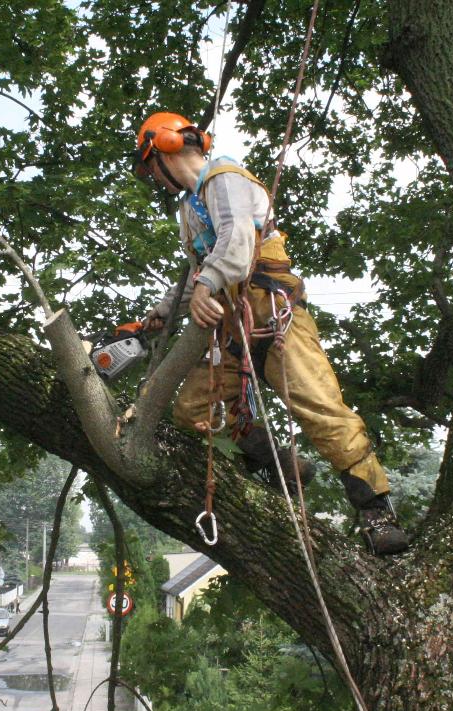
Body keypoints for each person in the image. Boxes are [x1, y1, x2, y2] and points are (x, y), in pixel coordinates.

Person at [133, 111, 408, 556]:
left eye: (151, 168)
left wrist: (206, 286)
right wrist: (165, 309)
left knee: (320, 409)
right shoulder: (189, 209)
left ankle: (376, 510)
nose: (154, 180)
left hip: (273, 314)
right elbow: (196, 272)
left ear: (163, 148)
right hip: (229, 330)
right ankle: (276, 461)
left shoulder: (225, 178)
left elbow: (239, 243)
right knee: (191, 408)